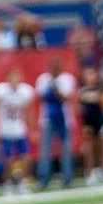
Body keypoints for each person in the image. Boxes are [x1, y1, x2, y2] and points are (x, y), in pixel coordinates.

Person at [0, 67, 35, 196]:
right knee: (8, 160)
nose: (15, 80)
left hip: (20, 129)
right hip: (5, 130)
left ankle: (22, 183)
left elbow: (28, 111)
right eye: (12, 77)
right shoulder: (0, 91)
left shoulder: (25, 91)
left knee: (26, 157)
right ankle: (8, 184)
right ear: (7, 78)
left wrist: (32, 129)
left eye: (17, 77)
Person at [36, 57, 77, 189]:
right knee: (45, 150)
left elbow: (65, 97)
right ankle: (44, 179)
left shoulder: (67, 79)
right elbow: (41, 97)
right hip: (47, 118)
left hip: (64, 118)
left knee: (65, 149)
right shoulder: (43, 79)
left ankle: (67, 177)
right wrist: (52, 91)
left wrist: (54, 90)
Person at [78, 66, 103, 186]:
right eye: (88, 75)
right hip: (87, 122)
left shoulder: (100, 90)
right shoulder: (81, 91)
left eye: (92, 74)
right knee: (88, 148)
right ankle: (89, 173)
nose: (91, 77)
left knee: (100, 147)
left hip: (99, 120)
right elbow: (79, 107)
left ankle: (101, 169)